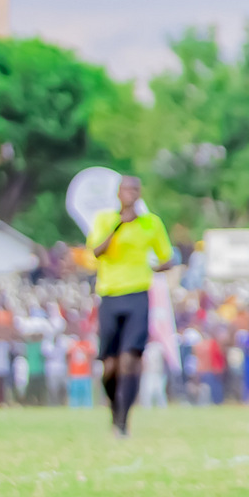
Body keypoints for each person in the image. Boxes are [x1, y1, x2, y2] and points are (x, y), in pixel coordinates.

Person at [85, 175, 175, 437]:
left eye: (135, 190)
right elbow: (96, 252)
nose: (131, 194)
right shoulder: (105, 220)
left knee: (130, 360)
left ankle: (124, 420)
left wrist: (156, 268)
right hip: (110, 294)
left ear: (139, 194)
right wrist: (118, 226)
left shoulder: (151, 223)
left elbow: (167, 258)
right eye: (126, 189)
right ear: (118, 193)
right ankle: (115, 409)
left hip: (137, 294)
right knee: (110, 365)